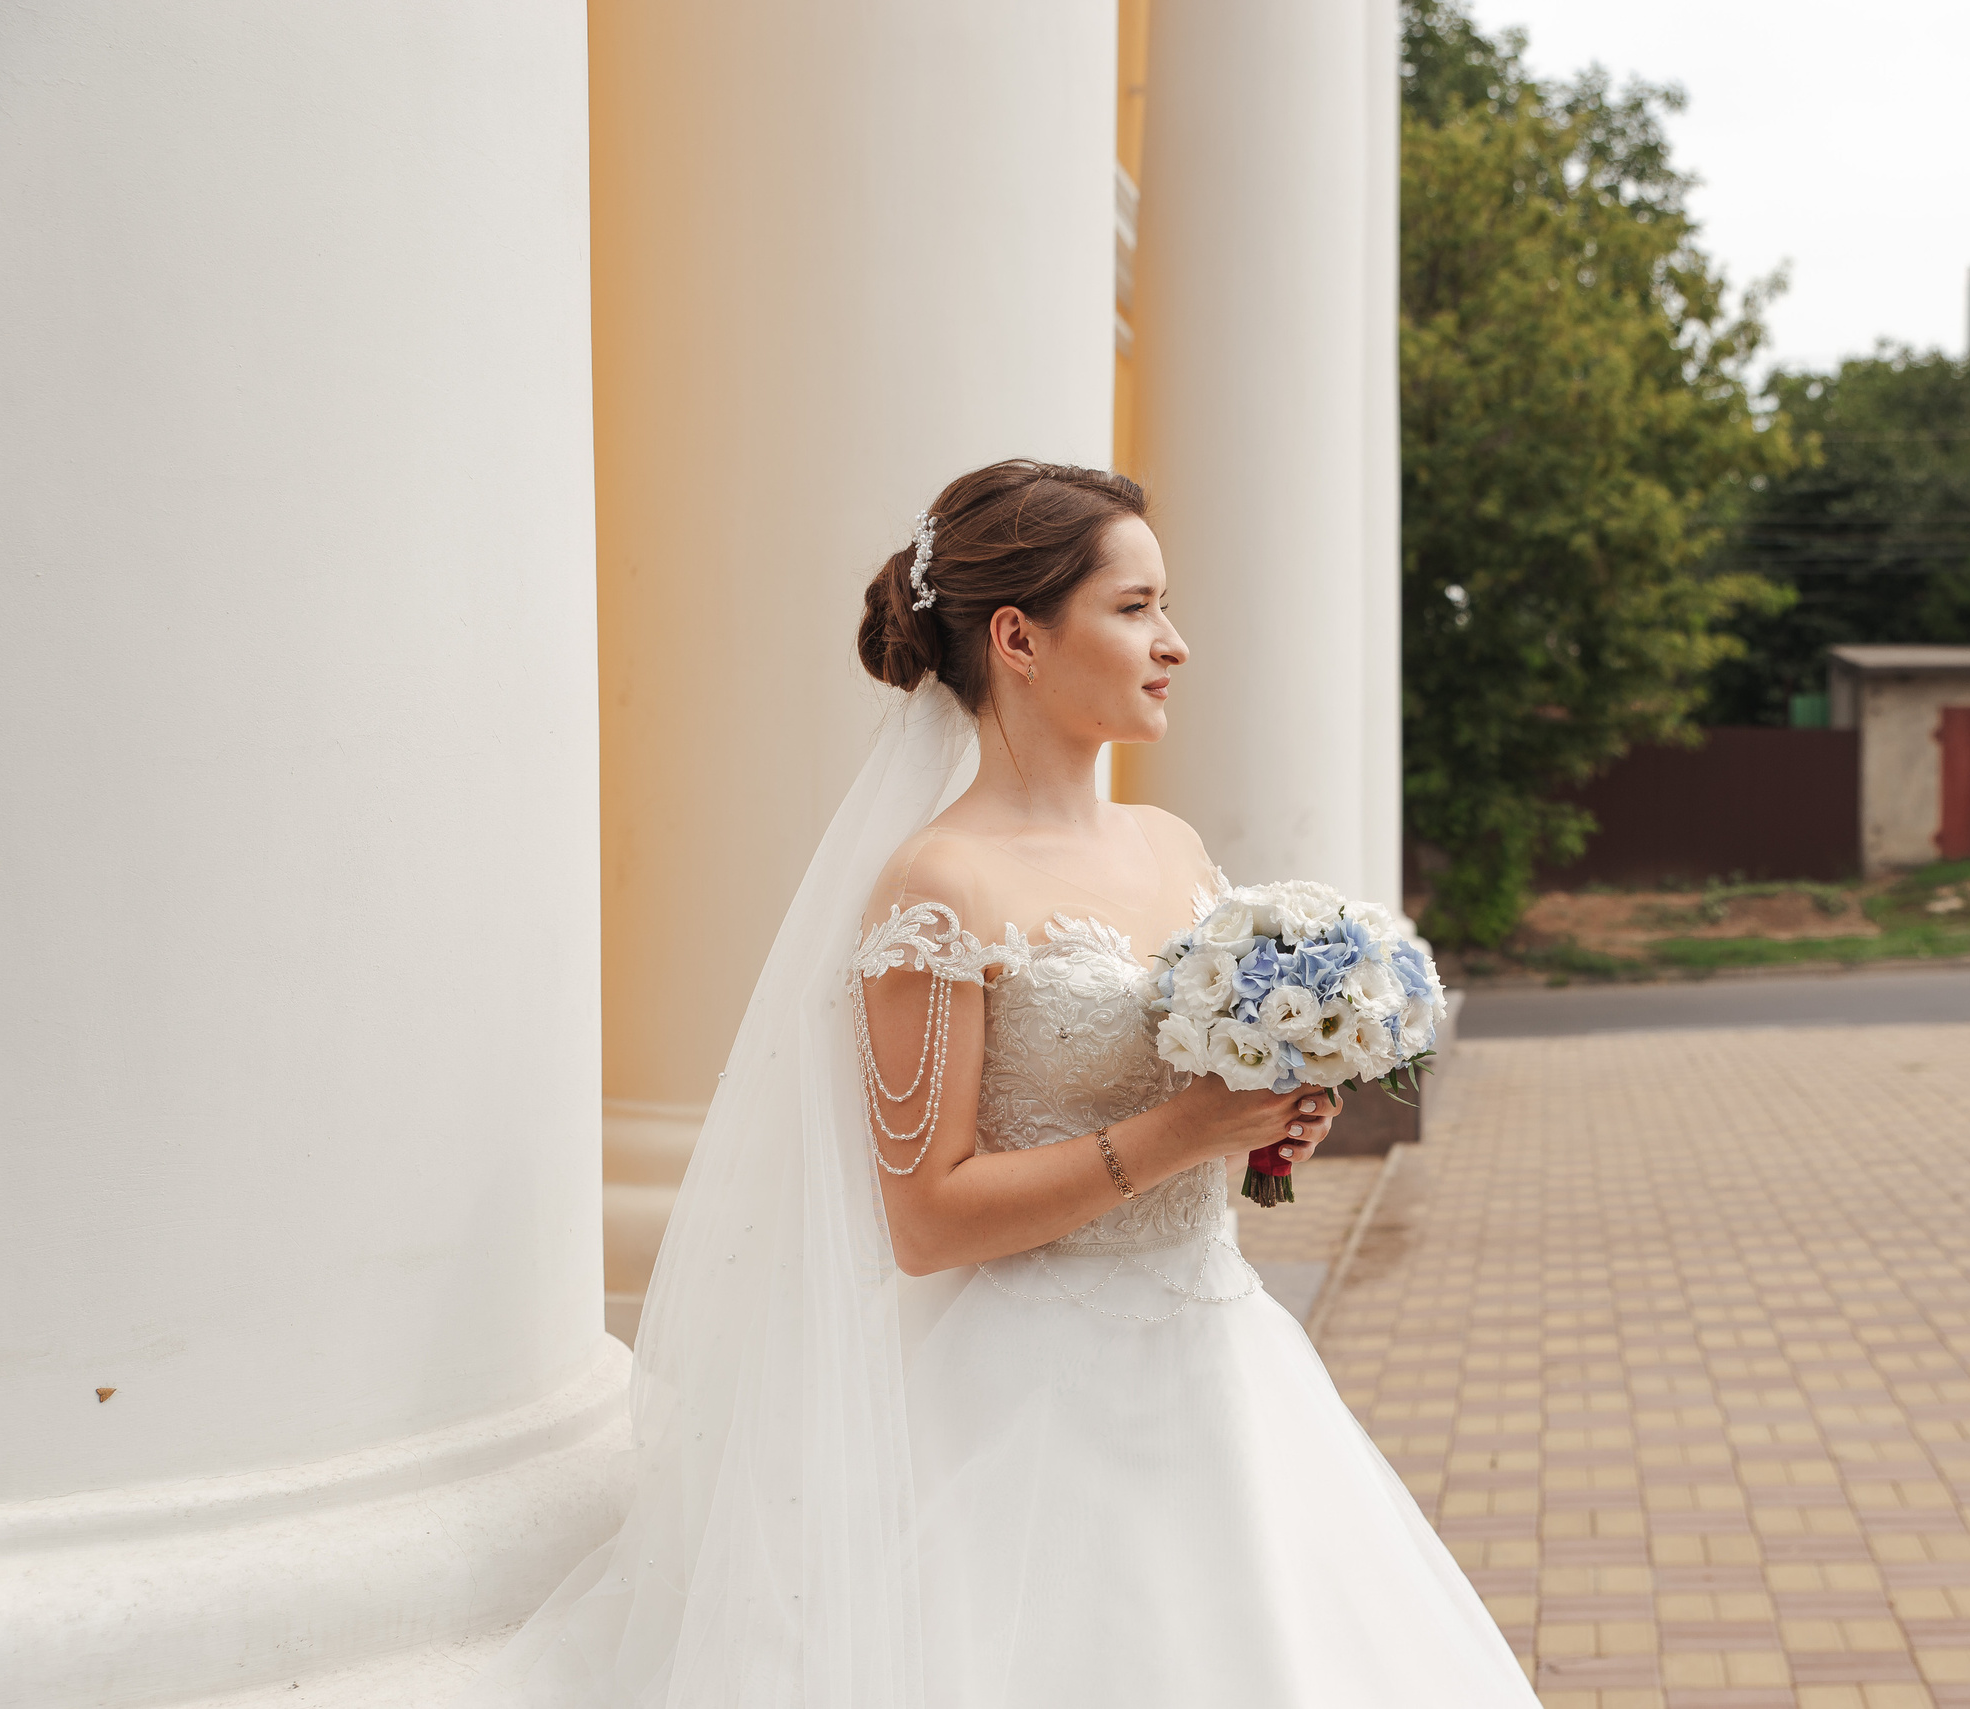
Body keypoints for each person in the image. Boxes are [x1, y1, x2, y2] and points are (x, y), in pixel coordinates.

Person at [474, 461, 1535, 1707]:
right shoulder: (940, 887)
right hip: (1024, 1397)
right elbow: (926, 1219)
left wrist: (1268, 1120)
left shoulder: (1171, 844)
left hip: (1221, 1353)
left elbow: (1194, 1109)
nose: (1174, 643)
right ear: (1019, 636)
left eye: (1165, 606)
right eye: (1136, 608)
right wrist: (1183, 1128)